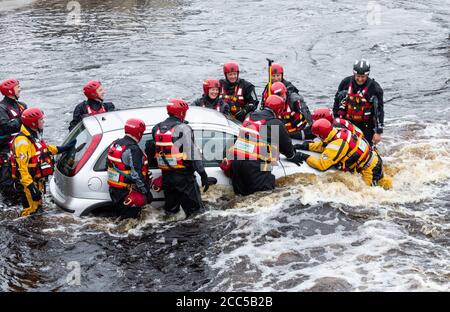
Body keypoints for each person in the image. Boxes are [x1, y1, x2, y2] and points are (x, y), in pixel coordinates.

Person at [225, 95, 306, 196]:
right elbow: (286, 146)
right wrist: (293, 156)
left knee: (240, 199)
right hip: (256, 166)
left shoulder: (250, 116)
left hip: (236, 163)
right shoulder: (274, 123)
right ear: (279, 110)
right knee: (264, 198)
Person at [147, 99, 212, 218]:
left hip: (166, 178)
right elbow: (193, 154)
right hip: (184, 179)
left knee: (171, 213)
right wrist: (203, 175)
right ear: (181, 113)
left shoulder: (156, 128)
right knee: (196, 214)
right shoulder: (184, 128)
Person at [11, 108, 76, 216]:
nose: (43, 122)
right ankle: (26, 232)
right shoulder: (22, 142)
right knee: (30, 211)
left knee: (38, 209)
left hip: (37, 181)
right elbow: (21, 168)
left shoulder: (34, 134)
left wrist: (62, 148)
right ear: (33, 123)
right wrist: (31, 188)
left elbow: (42, 149)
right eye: (41, 120)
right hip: (27, 185)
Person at [294, 118, 392, 189]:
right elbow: (325, 146)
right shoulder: (336, 131)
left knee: (368, 195)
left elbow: (322, 165)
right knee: (382, 184)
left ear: (321, 135)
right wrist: (306, 146)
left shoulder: (337, 143)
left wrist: (304, 156)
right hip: (373, 159)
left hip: (370, 168)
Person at [106, 118, 152, 219]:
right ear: (138, 133)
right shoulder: (133, 149)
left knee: (122, 219)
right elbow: (136, 174)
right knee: (132, 223)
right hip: (128, 192)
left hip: (115, 191)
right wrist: (146, 192)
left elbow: (109, 164)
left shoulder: (116, 143)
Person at [333, 59, 384, 145]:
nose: (360, 79)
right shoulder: (345, 83)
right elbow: (336, 103)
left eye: (363, 77)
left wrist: (378, 132)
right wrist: (335, 121)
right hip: (347, 123)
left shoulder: (375, 88)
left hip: (366, 126)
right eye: (358, 76)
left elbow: (379, 111)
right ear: (354, 73)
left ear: (367, 75)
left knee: (366, 147)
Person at [0, 78, 27, 203]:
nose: (20, 89)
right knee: (7, 180)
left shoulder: (22, 106)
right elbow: (5, 127)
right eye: (17, 87)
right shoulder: (2, 108)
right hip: (6, 148)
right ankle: (9, 203)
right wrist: (22, 119)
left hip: (22, 146)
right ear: (10, 91)